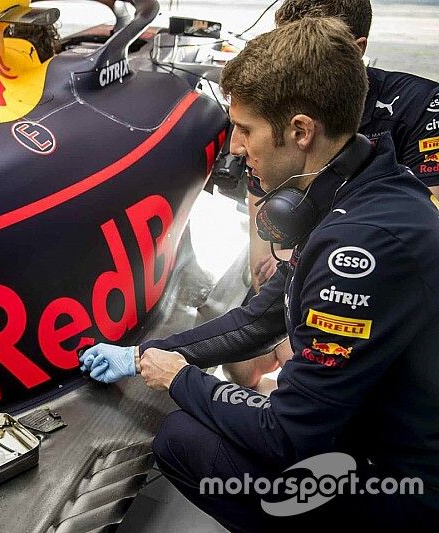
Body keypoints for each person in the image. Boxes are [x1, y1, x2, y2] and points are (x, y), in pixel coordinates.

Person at [80, 16, 439, 530]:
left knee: (182, 441)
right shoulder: (366, 187)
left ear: (300, 131)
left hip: (404, 491)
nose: (235, 148)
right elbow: (259, 318)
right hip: (391, 433)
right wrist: (141, 356)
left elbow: (286, 435)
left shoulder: (358, 251)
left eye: (245, 130)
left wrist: (179, 379)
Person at [231, 0, 439, 391]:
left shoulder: (423, 105)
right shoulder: (270, 112)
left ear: (356, 49)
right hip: (304, 275)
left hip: (379, 287)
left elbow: (419, 235)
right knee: (241, 366)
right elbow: (265, 256)